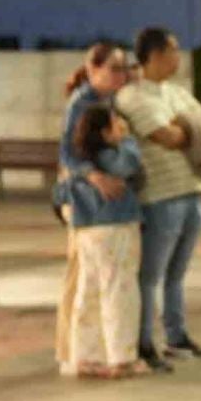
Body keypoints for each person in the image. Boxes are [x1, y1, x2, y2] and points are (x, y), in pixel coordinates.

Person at [116, 28, 201, 370]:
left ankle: (177, 335)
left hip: (191, 191)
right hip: (159, 196)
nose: (179, 56)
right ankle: (145, 342)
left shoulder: (177, 92)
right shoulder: (132, 96)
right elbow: (167, 136)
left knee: (177, 274)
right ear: (155, 55)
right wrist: (190, 128)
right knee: (151, 276)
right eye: (174, 50)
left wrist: (187, 126)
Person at [54, 44, 134, 373]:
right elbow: (68, 155)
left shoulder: (108, 101)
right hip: (87, 204)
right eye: (115, 68)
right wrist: (96, 176)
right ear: (93, 69)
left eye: (124, 68)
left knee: (89, 280)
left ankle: (86, 352)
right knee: (81, 279)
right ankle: (72, 353)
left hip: (96, 203)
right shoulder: (82, 103)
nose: (122, 75)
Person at [61, 105, 148, 378]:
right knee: (119, 289)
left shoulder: (79, 164)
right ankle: (121, 357)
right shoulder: (110, 157)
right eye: (115, 123)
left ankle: (86, 355)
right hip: (114, 226)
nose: (120, 126)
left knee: (89, 289)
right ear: (103, 131)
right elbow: (130, 165)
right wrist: (128, 139)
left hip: (86, 229)